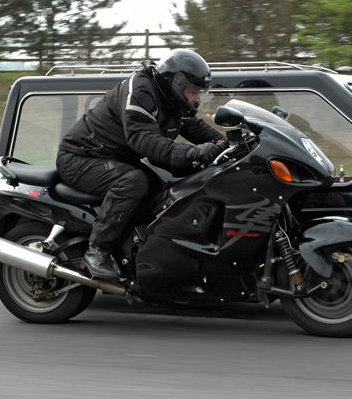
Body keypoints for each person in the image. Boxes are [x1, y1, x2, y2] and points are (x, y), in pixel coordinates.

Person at [56, 49, 227, 280]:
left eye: (198, 93)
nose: (196, 99)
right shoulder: (141, 91)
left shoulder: (171, 99)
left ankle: (139, 249)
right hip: (82, 156)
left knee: (166, 182)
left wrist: (226, 143)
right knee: (134, 182)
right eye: (192, 92)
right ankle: (97, 251)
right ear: (176, 83)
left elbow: (193, 127)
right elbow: (142, 139)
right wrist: (193, 153)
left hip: (113, 157)